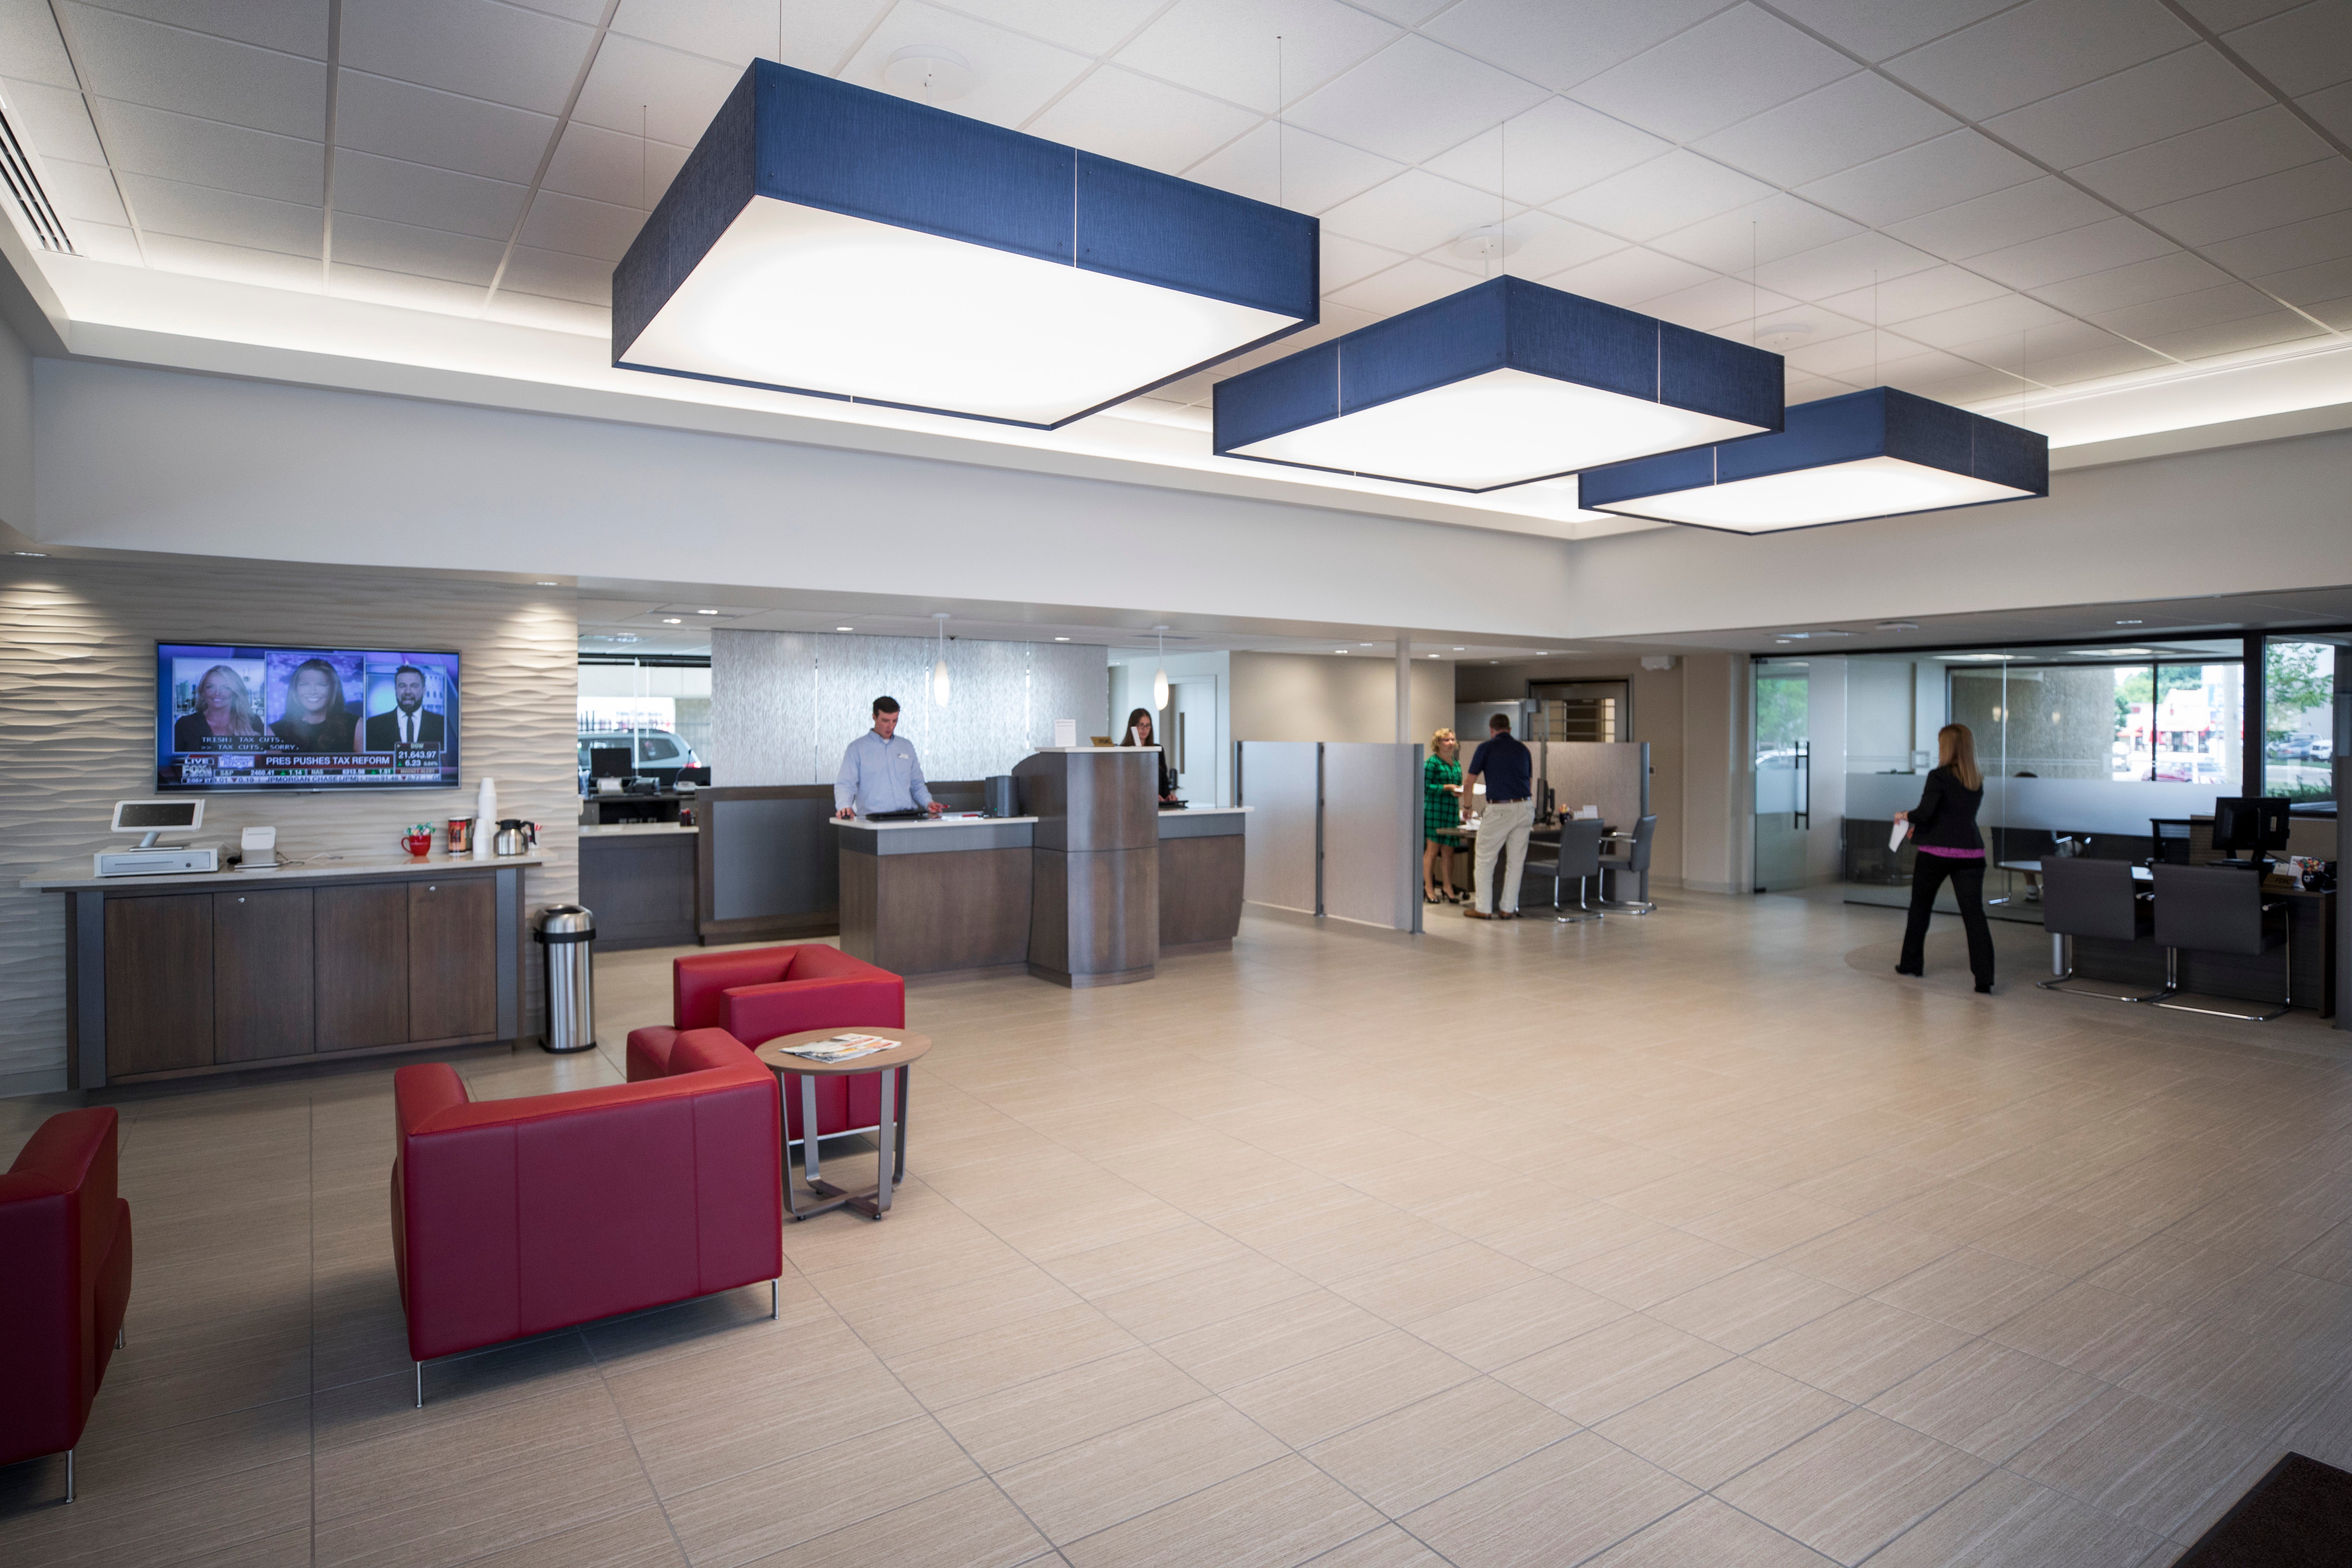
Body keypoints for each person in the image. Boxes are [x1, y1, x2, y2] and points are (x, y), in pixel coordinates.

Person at [1895, 722, 1995, 993]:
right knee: (1975, 916)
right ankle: (1984, 978)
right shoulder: (1976, 780)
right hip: (1972, 854)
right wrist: (1920, 831)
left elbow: (1927, 813)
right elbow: (1954, 818)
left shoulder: (1938, 776)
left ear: (1947, 747)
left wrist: (1906, 817)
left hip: (1935, 855)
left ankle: (1911, 964)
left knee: (1920, 909)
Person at [1464, 712, 1534, 919]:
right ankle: (1507, 909)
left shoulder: (1486, 748)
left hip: (1500, 809)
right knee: (1516, 863)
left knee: (1485, 859)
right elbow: (1529, 782)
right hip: (1525, 808)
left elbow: (1469, 782)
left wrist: (1468, 806)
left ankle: (1484, 909)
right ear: (1510, 730)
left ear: (1492, 731)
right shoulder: (1523, 749)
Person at [834, 696, 942, 818]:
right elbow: (845, 784)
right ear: (874, 717)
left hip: (908, 817)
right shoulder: (857, 749)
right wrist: (844, 807)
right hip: (873, 820)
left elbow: (917, 784)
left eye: (895, 721)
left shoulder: (906, 746)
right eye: (885, 721)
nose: (890, 727)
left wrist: (929, 803)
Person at [270, 656, 358, 752]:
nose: (313, 692)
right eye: (305, 685)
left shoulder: (356, 726)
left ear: (333, 690)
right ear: (295, 690)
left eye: (321, 685)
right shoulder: (273, 732)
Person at [172, 663, 261, 749]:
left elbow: (263, 759)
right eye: (210, 687)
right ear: (202, 692)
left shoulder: (253, 722)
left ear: (235, 693)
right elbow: (174, 761)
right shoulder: (185, 725)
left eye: (226, 688)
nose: (217, 694)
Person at [1423, 728, 1464, 904]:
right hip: (1435, 810)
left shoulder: (1456, 764)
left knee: (1449, 851)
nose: (1451, 743)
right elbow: (1424, 787)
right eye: (1447, 740)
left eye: (1453, 740)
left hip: (1451, 810)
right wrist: (1446, 788)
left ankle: (1448, 887)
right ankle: (1429, 888)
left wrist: (1458, 792)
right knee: (1433, 851)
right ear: (1438, 743)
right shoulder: (1432, 763)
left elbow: (1459, 785)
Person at [364, 664, 445, 750]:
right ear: (396, 690)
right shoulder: (373, 725)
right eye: (402, 686)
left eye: (414, 686)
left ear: (424, 691)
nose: (408, 692)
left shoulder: (442, 724)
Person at [1118, 707, 1178, 801]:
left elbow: (1164, 781)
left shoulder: (1158, 750)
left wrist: (1168, 796)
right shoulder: (1123, 751)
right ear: (1133, 727)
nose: (1144, 729)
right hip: (1133, 803)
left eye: (1148, 725)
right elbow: (1126, 784)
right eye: (1141, 725)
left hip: (1157, 805)